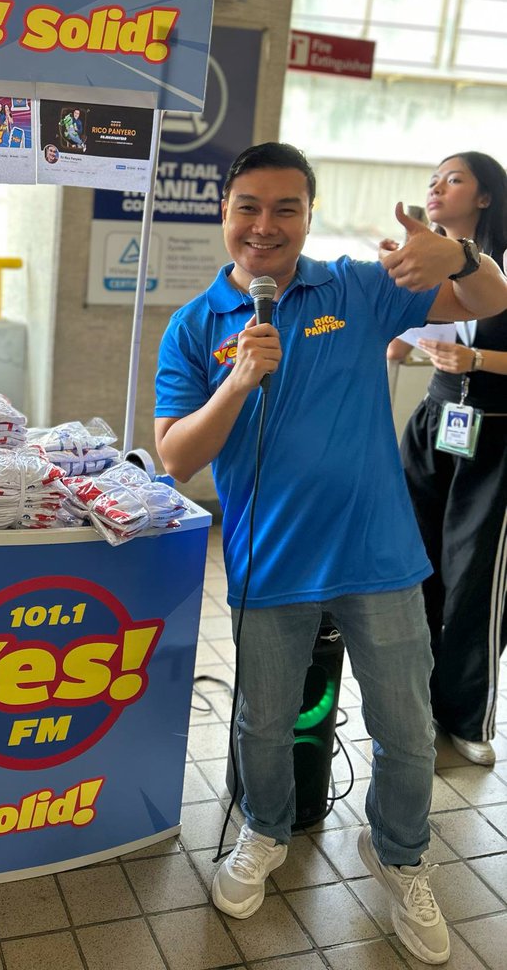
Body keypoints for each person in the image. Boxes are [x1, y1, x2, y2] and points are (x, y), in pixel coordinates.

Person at [154, 142, 507, 966]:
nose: (265, 226)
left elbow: (492, 296)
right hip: (268, 568)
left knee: (407, 731)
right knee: (263, 725)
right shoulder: (196, 324)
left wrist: (456, 251)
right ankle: (265, 834)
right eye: (249, 206)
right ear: (225, 213)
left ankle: (399, 854)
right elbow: (174, 457)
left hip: (379, 558)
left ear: (310, 215)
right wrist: (235, 383)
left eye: (286, 208)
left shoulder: (356, 285)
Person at [387, 152, 507, 767]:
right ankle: (416, 705)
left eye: (453, 178)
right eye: (432, 179)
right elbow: (395, 342)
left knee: (476, 579)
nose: (437, 187)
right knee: (418, 567)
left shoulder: (502, 264)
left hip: (495, 433)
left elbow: (476, 348)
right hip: (436, 424)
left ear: (485, 196)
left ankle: (466, 714)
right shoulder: (424, 256)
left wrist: (480, 362)